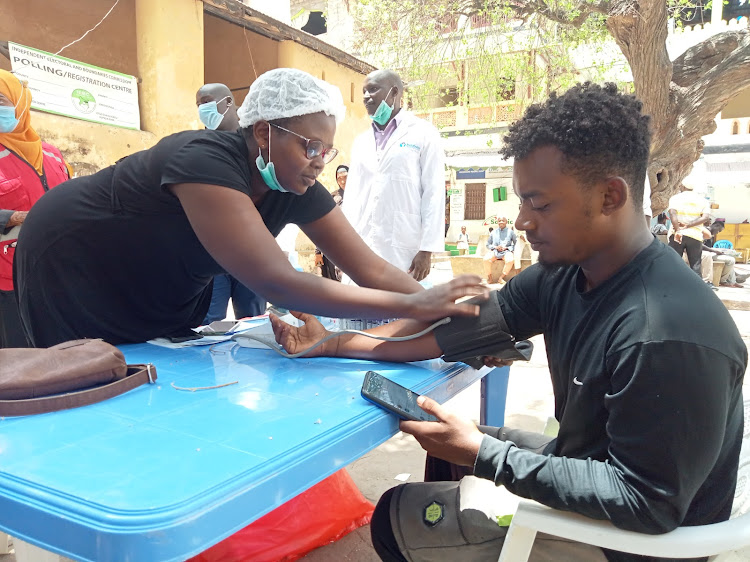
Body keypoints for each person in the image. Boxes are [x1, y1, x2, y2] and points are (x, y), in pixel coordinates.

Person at [270, 83, 747, 562]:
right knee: (444, 442)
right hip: (594, 466)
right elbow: (450, 329)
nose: (521, 222)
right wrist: (333, 342)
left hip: (636, 543)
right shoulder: (564, 275)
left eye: (539, 205)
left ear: (609, 195)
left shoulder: (665, 332)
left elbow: (646, 503)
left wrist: (484, 454)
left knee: (396, 515)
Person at [14, 68, 485, 348]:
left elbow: (371, 269)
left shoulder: (292, 181)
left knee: (150, 380)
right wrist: (411, 303)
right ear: (265, 133)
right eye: (310, 147)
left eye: (327, 151)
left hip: (154, 277)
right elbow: (279, 282)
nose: (319, 163)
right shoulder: (203, 161)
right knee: (83, 381)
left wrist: (455, 312)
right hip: (74, 259)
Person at [342, 70, 445, 283]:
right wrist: (342, 250)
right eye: (364, 91)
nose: (366, 96)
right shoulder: (361, 142)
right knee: (360, 309)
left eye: (373, 89)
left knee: (400, 308)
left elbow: (434, 193)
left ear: (394, 92)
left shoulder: (424, 133)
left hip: (403, 247)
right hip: (361, 246)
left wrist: (426, 250)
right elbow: (351, 197)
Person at [0, 70, 70, 348]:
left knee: (57, 351)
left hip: (54, 273)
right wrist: (13, 217)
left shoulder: (52, 153)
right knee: (17, 361)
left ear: (20, 102)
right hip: (6, 281)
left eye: (0, 99)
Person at [196, 83, 269, 322]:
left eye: (206, 102)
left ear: (228, 102)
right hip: (212, 254)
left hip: (253, 252)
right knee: (208, 324)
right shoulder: (197, 147)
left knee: (253, 323)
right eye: (198, 105)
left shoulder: (256, 144)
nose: (202, 109)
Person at [667, 182, 711, 276]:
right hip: (695, 235)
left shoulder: (675, 198)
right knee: (695, 266)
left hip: (677, 235)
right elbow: (705, 218)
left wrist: (678, 230)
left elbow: (672, 214)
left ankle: (672, 289)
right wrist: (688, 226)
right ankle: (696, 290)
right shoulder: (702, 200)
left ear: (682, 186)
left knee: (673, 265)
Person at [315, 164, 348, 281]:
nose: (343, 181)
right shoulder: (332, 198)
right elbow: (322, 225)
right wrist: (318, 253)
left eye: (346, 177)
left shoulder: (360, 197)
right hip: (334, 249)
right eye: (339, 178)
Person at [703, 220, 745, 288]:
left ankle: (732, 281)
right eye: (718, 230)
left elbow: (708, 246)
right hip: (705, 254)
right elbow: (700, 246)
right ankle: (723, 280)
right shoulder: (705, 232)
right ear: (716, 226)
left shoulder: (710, 234)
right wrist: (715, 251)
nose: (718, 233)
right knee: (731, 260)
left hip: (709, 252)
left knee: (729, 258)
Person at [483, 216, 516, 283]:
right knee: (486, 259)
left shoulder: (511, 232)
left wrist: (507, 248)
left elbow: (516, 244)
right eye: (499, 221)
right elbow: (488, 244)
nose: (501, 222)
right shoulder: (493, 232)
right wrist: (495, 247)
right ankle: (490, 278)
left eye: (503, 221)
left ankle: (501, 278)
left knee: (510, 260)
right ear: (497, 222)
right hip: (495, 251)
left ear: (506, 222)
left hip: (506, 251)